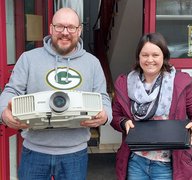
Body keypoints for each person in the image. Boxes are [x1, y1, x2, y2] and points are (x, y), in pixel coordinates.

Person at [0, 7, 112, 180]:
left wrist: (105, 116)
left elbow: (102, 97)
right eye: (59, 27)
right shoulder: (28, 59)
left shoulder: (93, 63)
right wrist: (3, 112)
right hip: (34, 151)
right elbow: (11, 90)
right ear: (51, 28)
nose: (65, 32)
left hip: (75, 154)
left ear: (79, 30)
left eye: (71, 27)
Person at [111, 32, 192, 180]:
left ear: (164, 56)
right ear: (138, 57)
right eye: (145, 55)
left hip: (168, 164)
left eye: (155, 55)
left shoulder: (180, 82)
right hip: (136, 162)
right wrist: (123, 122)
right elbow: (115, 115)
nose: (150, 60)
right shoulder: (125, 84)